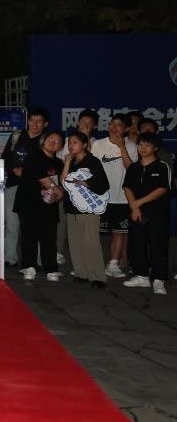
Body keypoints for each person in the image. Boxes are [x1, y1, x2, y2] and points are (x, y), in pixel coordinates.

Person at [121, 133, 171, 295]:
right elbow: (127, 187)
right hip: (136, 212)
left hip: (157, 213)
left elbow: (162, 189)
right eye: (140, 144)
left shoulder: (162, 166)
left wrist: (138, 203)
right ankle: (141, 275)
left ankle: (159, 279)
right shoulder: (133, 168)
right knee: (137, 244)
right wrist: (134, 207)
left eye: (147, 145)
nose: (142, 148)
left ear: (155, 148)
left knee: (158, 245)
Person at [0, 109, 49, 269]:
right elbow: (5, 157)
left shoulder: (47, 140)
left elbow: (49, 161)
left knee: (36, 225)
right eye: (32, 120)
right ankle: (10, 258)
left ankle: (38, 261)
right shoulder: (16, 136)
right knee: (12, 224)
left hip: (36, 188)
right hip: (14, 185)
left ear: (45, 124)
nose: (34, 124)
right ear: (28, 121)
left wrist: (28, 172)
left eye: (39, 121)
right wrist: (14, 169)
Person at [91, 114, 138, 278]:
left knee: (119, 233)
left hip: (122, 198)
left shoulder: (132, 146)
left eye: (118, 124)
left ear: (126, 128)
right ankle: (90, 264)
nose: (114, 127)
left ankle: (112, 265)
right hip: (100, 197)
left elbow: (131, 169)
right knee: (93, 233)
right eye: (112, 123)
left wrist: (122, 147)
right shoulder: (98, 144)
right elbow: (92, 168)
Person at [15, 132, 65, 282]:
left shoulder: (59, 163)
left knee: (49, 238)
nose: (53, 142)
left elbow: (63, 182)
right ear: (43, 141)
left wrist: (59, 194)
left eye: (57, 141)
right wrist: (59, 192)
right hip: (29, 203)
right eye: (50, 139)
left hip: (49, 205)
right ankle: (29, 267)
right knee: (29, 236)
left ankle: (51, 268)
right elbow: (44, 179)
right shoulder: (34, 157)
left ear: (61, 147)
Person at [62, 131, 109, 287]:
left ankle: (98, 276)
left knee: (91, 242)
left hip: (89, 209)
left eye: (75, 142)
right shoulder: (71, 161)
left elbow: (103, 185)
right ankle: (81, 273)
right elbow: (64, 182)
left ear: (84, 145)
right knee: (74, 242)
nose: (71, 145)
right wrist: (67, 162)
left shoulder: (92, 161)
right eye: (69, 142)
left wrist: (86, 183)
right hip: (72, 208)